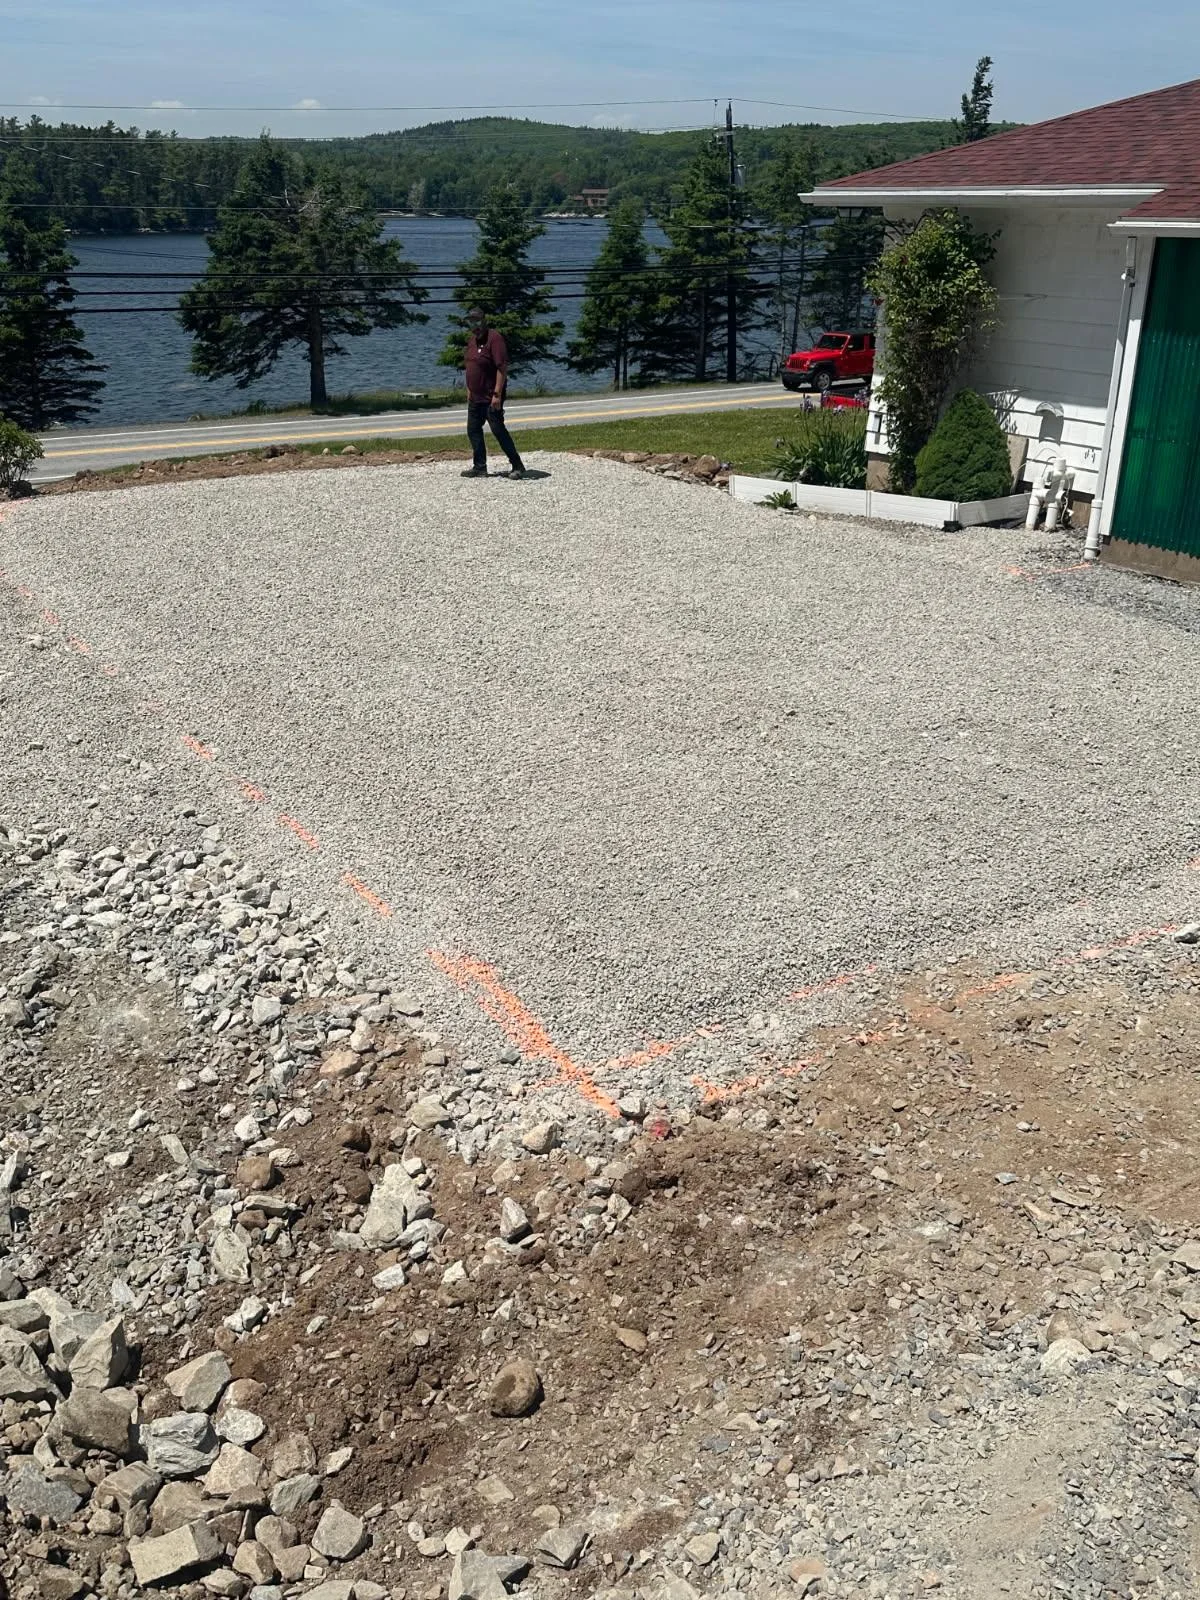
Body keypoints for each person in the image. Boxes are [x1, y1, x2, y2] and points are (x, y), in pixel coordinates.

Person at [460, 307, 527, 480]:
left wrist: (497, 394)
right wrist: (469, 389)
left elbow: (502, 367)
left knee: (498, 430)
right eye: (471, 322)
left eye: (477, 321)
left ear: (484, 321)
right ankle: (479, 467)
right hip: (475, 397)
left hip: (491, 396)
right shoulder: (472, 341)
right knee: (473, 430)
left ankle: (517, 465)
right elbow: (470, 366)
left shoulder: (495, 339)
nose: (474, 326)